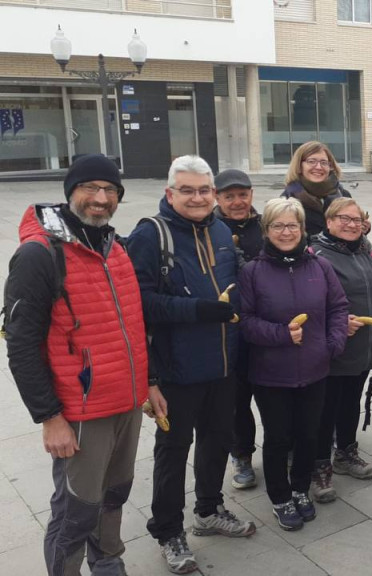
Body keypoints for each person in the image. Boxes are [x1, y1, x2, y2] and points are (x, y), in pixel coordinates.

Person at [4, 155, 148, 576]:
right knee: (75, 509)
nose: (101, 199)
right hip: (79, 412)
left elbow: (134, 325)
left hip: (125, 400)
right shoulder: (39, 255)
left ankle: (107, 561)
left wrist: (149, 382)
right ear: (70, 193)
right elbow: (21, 345)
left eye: (111, 191)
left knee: (114, 495)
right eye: (91, 189)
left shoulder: (114, 247)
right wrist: (49, 417)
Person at [127, 155, 254, 574]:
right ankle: (168, 530)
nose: (198, 197)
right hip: (176, 371)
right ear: (170, 193)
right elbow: (138, 304)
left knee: (217, 441)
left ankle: (209, 509)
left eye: (204, 190)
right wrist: (197, 310)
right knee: (172, 452)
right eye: (188, 190)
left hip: (222, 364)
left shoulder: (219, 229)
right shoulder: (151, 235)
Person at [238, 198, 349, 531]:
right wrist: (280, 334)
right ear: (266, 230)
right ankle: (280, 496)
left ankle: (300, 488)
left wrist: (333, 344)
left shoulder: (320, 266)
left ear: (303, 229)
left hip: (316, 369)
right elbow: (244, 321)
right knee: (278, 437)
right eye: (278, 225)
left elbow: (339, 308)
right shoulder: (252, 272)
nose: (286, 232)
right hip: (271, 373)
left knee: (309, 435)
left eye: (292, 225)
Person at [310, 198, 372, 502]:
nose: (351, 224)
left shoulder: (366, 251)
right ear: (328, 222)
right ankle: (319, 465)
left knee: (351, 402)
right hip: (332, 346)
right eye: (343, 218)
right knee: (326, 407)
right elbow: (307, 302)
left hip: (364, 343)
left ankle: (345, 452)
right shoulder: (316, 255)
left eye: (356, 219)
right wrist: (337, 323)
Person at [213, 169, 263, 492]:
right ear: (217, 198)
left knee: (274, 394)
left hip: (266, 324)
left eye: (242, 194)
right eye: (229, 196)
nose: (237, 202)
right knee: (236, 399)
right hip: (228, 330)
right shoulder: (210, 229)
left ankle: (282, 448)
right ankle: (241, 454)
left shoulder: (264, 224)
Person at [281, 141, 352, 237]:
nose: (318, 167)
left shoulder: (344, 195)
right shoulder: (286, 200)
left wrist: (360, 228)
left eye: (324, 162)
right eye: (311, 161)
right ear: (299, 166)